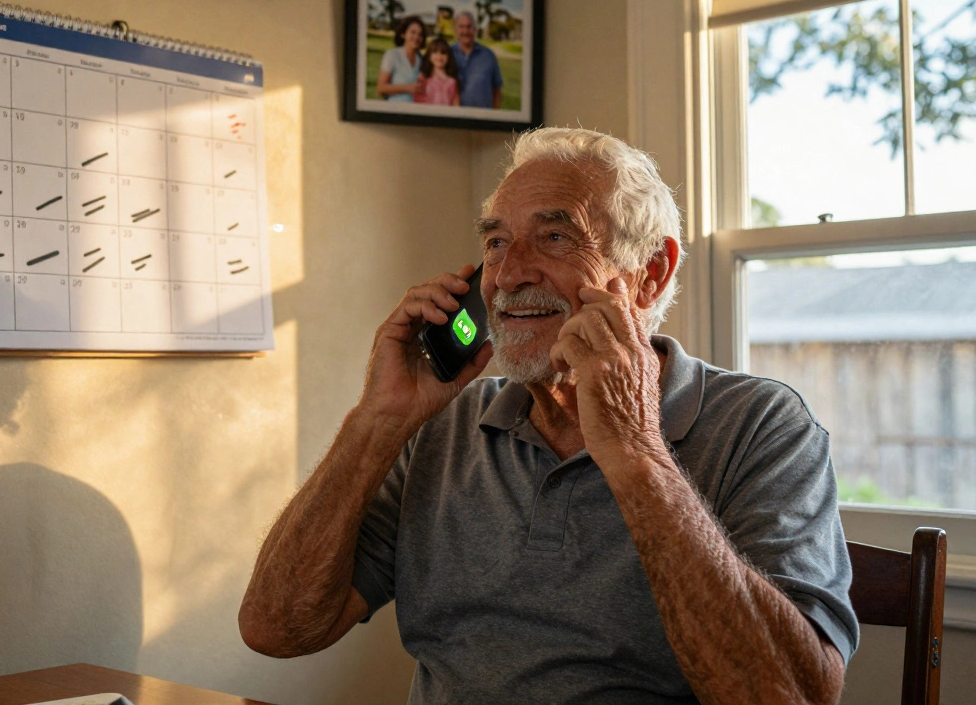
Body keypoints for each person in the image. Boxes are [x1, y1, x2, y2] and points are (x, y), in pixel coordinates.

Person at [240, 128, 859, 704]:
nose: (508, 275)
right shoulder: (447, 424)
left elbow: (790, 695)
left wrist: (635, 447)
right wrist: (377, 420)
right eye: (496, 241)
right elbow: (276, 628)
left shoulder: (763, 425)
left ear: (651, 273)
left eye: (556, 237)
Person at [451, 11, 502, 108]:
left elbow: (497, 88)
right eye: (461, 27)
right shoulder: (447, 53)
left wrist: (495, 116)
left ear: (475, 30)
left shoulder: (488, 55)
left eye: (469, 27)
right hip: (455, 117)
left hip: (483, 118)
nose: (465, 31)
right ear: (456, 30)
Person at [377, 16, 426, 103]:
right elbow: (381, 88)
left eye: (420, 34)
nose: (416, 37)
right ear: (403, 34)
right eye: (413, 32)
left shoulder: (421, 59)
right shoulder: (392, 55)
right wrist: (407, 88)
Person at [414, 38, 460, 106]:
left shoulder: (452, 81)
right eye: (435, 52)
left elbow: (456, 103)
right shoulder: (423, 78)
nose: (439, 56)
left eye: (443, 53)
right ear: (429, 56)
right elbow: (417, 101)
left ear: (449, 56)